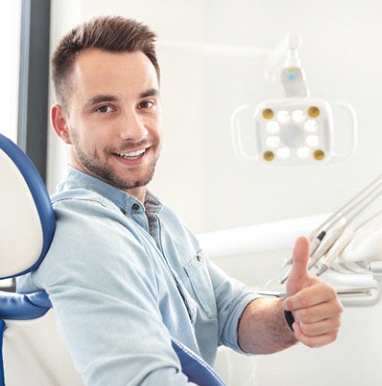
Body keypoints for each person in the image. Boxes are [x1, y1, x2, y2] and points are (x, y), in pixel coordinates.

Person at [17, 15, 343, 385]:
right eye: (104, 108)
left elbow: (231, 313)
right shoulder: (85, 236)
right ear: (62, 125)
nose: (134, 131)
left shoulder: (156, 218)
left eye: (145, 103)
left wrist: (290, 315)